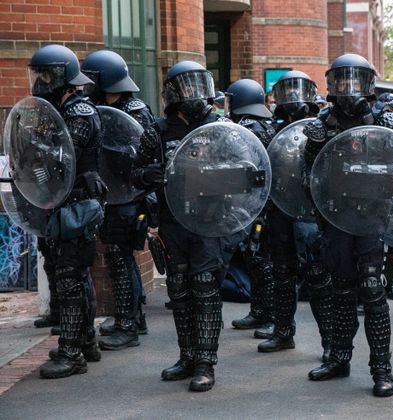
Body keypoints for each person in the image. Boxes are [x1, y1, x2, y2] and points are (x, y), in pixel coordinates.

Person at [131, 61, 240, 392]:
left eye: (198, 86)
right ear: (173, 94)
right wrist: (148, 175)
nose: (194, 95)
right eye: (186, 87)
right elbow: (135, 173)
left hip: (210, 221)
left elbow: (243, 169)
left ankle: (206, 363)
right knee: (179, 290)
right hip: (173, 221)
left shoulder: (220, 126)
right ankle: (187, 355)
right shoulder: (158, 131)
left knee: (205, 289)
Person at [303, 53, 393, 397]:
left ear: (369, 85)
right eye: (342, 81)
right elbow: (306, 176)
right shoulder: (318, 126)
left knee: (372, 290)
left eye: (356, 81)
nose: (349, 88)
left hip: (372, 216)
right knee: (341, 289)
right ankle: (339, 357)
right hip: (336, 217)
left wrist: (372, 175)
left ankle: (382, 369)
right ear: (332, 85)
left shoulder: (387, 123)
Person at [28, 45, 106, 379]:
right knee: (74, 276)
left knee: (69, 279)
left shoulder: (80, 114)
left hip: (76, 205)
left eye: (45, 74)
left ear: (62, 77)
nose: (40, 81)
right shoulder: (64, 109)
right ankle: (85, 341)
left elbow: (60, 156)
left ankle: (72, 352)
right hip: (65, 205)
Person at [255, 71, 333, 356]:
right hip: (280, 209)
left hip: (311, 212)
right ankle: (283, 332)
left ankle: (330, 343)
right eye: (287, 92)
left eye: (297, 91)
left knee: (317, 276)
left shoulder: (323, 127)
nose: (292, 98)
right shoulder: (270, 129)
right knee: (281, 272)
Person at [81, 49, 154, 350]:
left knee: (120, 260)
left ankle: (127, 326)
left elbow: (137, 158)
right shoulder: (107, 106)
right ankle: (133, 316)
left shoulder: (133, 112)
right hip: (115, 197)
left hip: (127, 198)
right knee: (122, 259)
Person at [227, 79, 278, 336]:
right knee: (255, 258)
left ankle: (269, 315)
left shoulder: (248, 126)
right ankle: (260, 311)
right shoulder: (266, 124)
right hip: (263, 203)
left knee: (260, 260)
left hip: (255, 204)